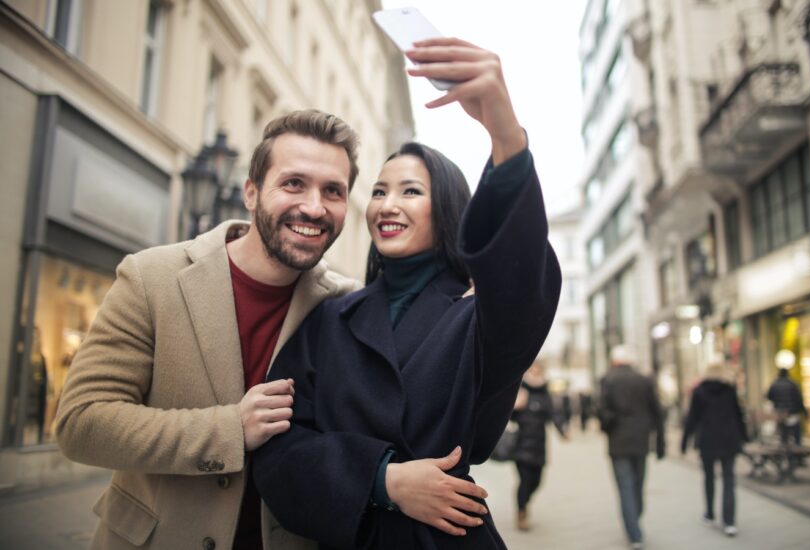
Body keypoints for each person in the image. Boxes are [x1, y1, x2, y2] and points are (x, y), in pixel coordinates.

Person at [253, 37, 562, 549]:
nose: (387, 205)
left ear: (446, 210)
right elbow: (280, 449)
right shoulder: (331, 319)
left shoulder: (479, 320)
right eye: (378, 191)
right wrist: (381, 480)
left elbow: (521, 277)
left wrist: (504, 134)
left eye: (410, 191)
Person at [55, 109, 364, 550]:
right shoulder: (151, 278)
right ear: (252, 193)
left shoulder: (346, 303)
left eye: (333, 191)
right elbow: (81, 423)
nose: (314, 208)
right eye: (294, 183)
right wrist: (230, 429)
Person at [597, 344, 665, 550]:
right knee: (638, 484)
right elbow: (657, 412)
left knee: (625, 487)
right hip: (641, 441)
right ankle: (635, 519)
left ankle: (634, 532)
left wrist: (609, 425)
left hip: (618, 442)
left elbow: (601, 411)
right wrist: (660, 442)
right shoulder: (644, 380)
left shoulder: (608, 380)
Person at [680, 357, 748, 538]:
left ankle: (709, 513)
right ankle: (729, 522)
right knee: (728, 480)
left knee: (709, 478)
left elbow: (692, 418)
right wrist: (744, 438)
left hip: (707, 440)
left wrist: (684, 441)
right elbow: (738, 415)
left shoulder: (700, 391)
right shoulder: (730, 389)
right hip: (728, 440)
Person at [511, 361, 568, 532]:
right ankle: (521, 512)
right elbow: (506, 417)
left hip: (539, 443)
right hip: (521, 443)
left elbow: (554, 414)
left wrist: (563, 431)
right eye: (532, 369)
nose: (535, 373)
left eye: (538, 370)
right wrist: (515, 407)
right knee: (525, 480)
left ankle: (525, 502)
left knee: (537, 481)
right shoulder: (519, 390)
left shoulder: (545, 393)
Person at [766, 364, 807, 447]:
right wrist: (803, 411)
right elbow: (799, 399)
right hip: (793, 413)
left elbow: (769, 396)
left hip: (780, 413)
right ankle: (797, 450)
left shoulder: (774, 384)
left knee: (784, 435)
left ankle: (785, 447)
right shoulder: (792, 384)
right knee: (796, 434)